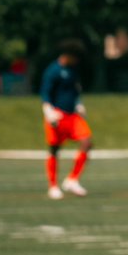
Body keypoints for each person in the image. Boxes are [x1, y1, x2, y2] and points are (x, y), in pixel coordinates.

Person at [40, 40, 92, 200]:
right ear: (67, 55)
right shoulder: (53, 70)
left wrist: (78, 104)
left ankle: (72, 179)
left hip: (72, 115)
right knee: (54, 149)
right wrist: (48, 110)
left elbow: (74, 91)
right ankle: (53, 186)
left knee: (86, 142)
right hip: (57, 116)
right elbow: (45, 92)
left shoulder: (73, 70)